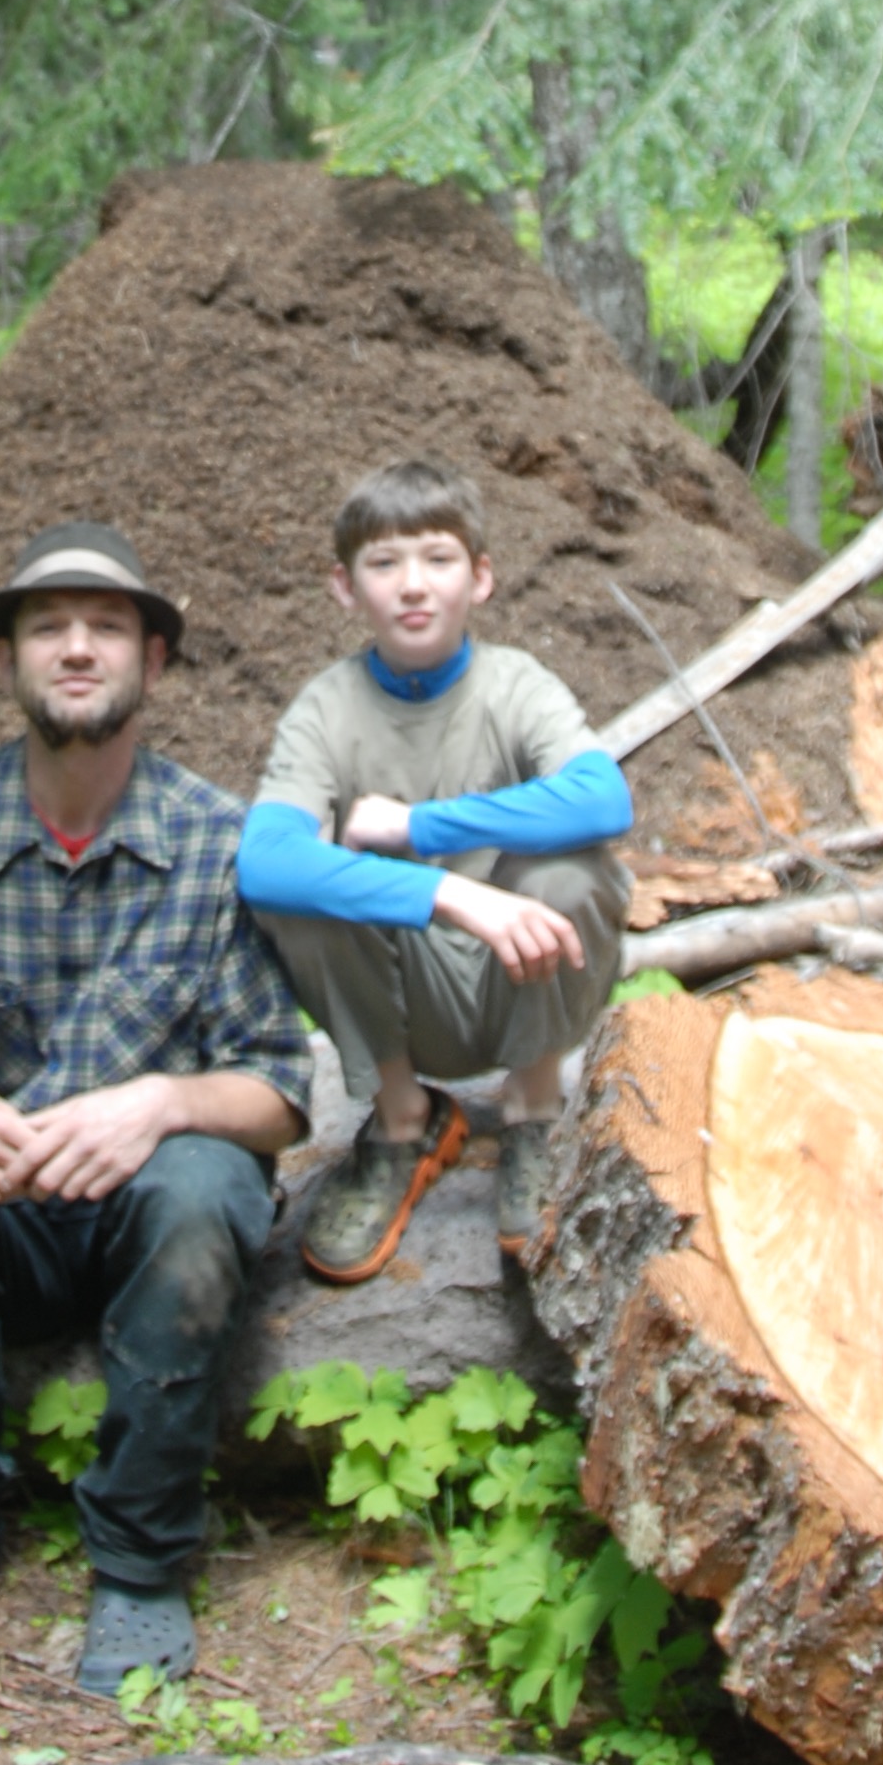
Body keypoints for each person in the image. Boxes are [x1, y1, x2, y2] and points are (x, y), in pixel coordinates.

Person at [0, 521, 311, 1698]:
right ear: (6, 657)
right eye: (48, 627)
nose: (77, 647)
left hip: (153, 1225)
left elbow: (279, 1092)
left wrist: (163, 1101)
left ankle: (139, 1562)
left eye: (106, 627)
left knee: (204, 1177)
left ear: (154, 659)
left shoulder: (222, 839)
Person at [236, 459, 633, 1282]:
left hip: (517, 979)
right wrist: (447, 892)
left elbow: (603, 800)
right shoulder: (325, 710)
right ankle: (403, 1118)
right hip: (402, 993)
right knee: (304, 897)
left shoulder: (515, 686)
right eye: (385, 563)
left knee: (574, 873)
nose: (413, 585)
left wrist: (421, 827)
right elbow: (265, 861)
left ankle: (532, 1107)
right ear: (345, 588)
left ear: (479, 578)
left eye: (438, 559)